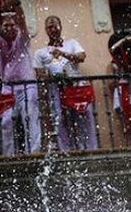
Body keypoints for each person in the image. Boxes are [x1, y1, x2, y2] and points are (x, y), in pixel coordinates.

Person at [0, 0, 41, 155]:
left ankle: (34, 151)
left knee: (30, 118)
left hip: (27, 85)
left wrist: (17, 2)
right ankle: (9, 154)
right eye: (5, 26)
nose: (9, 28)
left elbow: (22, 20)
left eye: (12, 25)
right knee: (6, 121)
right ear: (1, 28)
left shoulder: (22, 40)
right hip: (7, 87)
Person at [34, 15, 98, 151]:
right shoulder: (40, 53)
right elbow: (39, 75)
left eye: (55, 25)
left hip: (76, 89)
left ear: (61, 26)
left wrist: (62, 53)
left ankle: (88, 149)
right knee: (60, 121)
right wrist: (54, 76)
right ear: (46, 30)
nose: (53, 29)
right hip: (56, 91)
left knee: (84, 119)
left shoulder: (72, 43)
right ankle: (66, 151)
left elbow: (81, 57)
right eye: (49, 27)